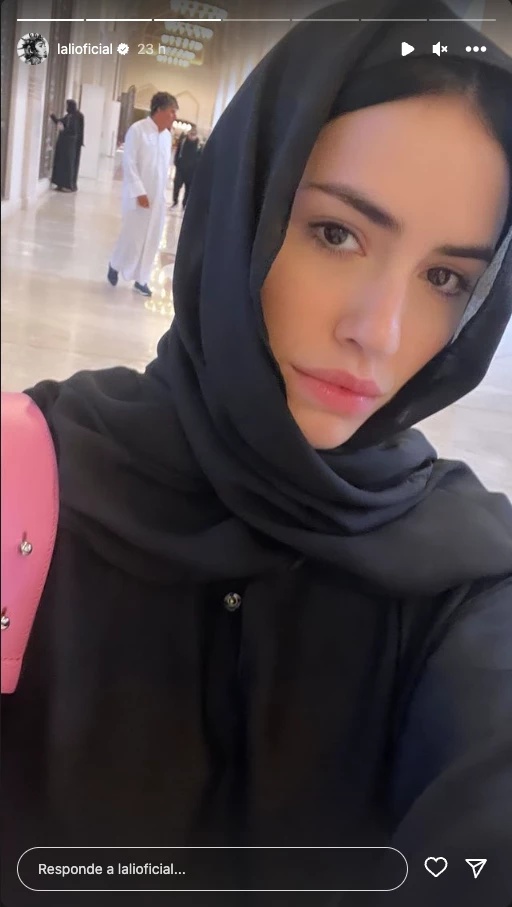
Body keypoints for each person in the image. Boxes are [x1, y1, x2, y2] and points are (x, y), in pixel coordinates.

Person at [2, 2, 512, 906]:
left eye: (445, 278)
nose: (381, 332)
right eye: (336, 233)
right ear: (246, 200)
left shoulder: (466, 574)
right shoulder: (32, 477)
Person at [107, 92, 178, 298]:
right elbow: (129, 163)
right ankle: (115, 264)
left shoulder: (166, 136)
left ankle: (142, 280)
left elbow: (164, 169)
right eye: (171, 111)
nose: (174, 116)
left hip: (158, 199)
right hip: (138, 197)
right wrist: (139, 192)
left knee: (153, 239)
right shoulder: (138, 130)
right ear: (159, 110)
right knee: (133, 237)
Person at [49, 100, 79, 192]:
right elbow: (59, 122)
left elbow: (73, 131)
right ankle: (60, 184)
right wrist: (52, 115)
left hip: (69, 145)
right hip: (63, 144)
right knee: (60, 163)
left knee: (67, 165)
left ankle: (67, 185)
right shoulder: (68, 116)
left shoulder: (75, 118)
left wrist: (63, 130)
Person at [172, 124, 202, 209]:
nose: (192, 136)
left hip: (191, 171)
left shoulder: (199, 145)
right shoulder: (183, 142)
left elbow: (200, 157)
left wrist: (197, 168)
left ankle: (184, 204)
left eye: (194, 135)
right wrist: (177, 163)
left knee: (188, 189)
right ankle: (175, 202)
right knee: (176, 186)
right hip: (181, 169)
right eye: (191, 134)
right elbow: (178, 152)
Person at [72, 105, 85, 192]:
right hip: (76, 143)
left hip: (75, 144)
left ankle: (73, 184)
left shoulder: (78, 116)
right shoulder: (72, 116)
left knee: (74, 164)